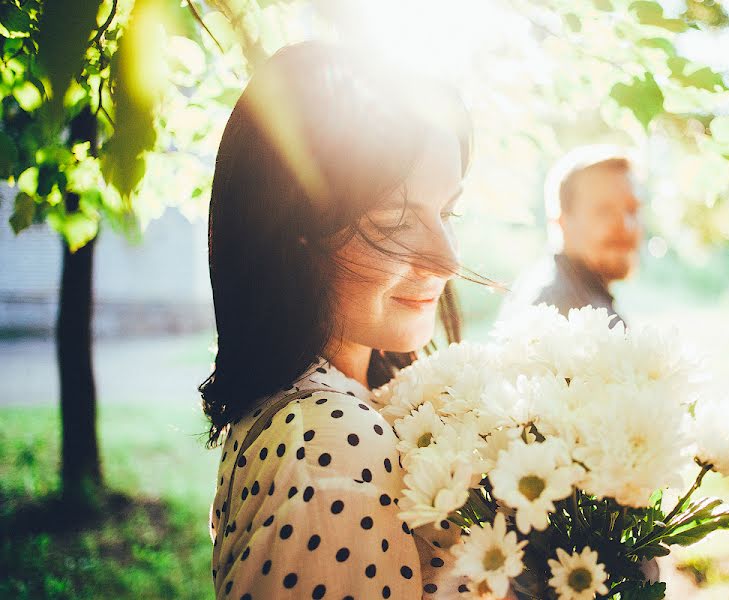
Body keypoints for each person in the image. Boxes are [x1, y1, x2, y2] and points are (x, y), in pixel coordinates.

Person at [201, 42, 477, 599]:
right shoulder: (331, 443)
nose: (447, 261)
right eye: (397, 219)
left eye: (447, 212)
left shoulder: (334, 405)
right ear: (294, 230)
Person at [503, 145, 641, 326]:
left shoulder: (559, 288)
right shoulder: (559, 311)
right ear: (562, 221)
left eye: (632, 210)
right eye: (604, 211)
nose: (626, 225)